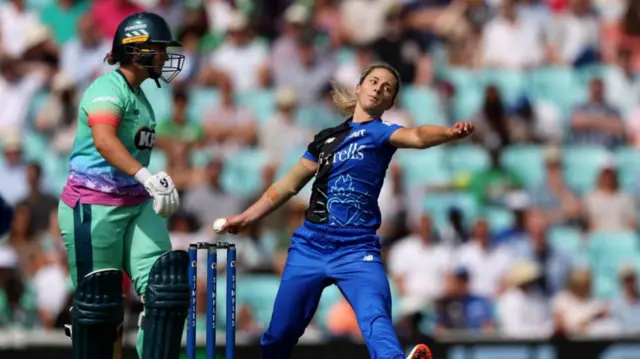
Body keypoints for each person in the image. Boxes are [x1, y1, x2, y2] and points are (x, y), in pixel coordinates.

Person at [218, 62, 474, 359]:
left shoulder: (381, 133)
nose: (378, 88)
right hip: (310, 247)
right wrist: (247, 217)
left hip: (357, 249)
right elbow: (287, 185)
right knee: (278, 336)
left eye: (387, 87)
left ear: (390, 103)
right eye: (374, 81)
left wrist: (449, 133)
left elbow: (417, 136)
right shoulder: (326, 139)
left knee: (375, 317)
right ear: (359, 87)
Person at [56, 12, 189, 359]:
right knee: (99, 304)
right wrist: (147, 177)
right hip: (92, 206)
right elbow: (104, 140)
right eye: (158, 48)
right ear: (136, 50)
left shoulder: (141, 97)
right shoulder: (106, 88)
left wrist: (151, 183)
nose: (164, 55)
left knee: (168, 288)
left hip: (135, 204)